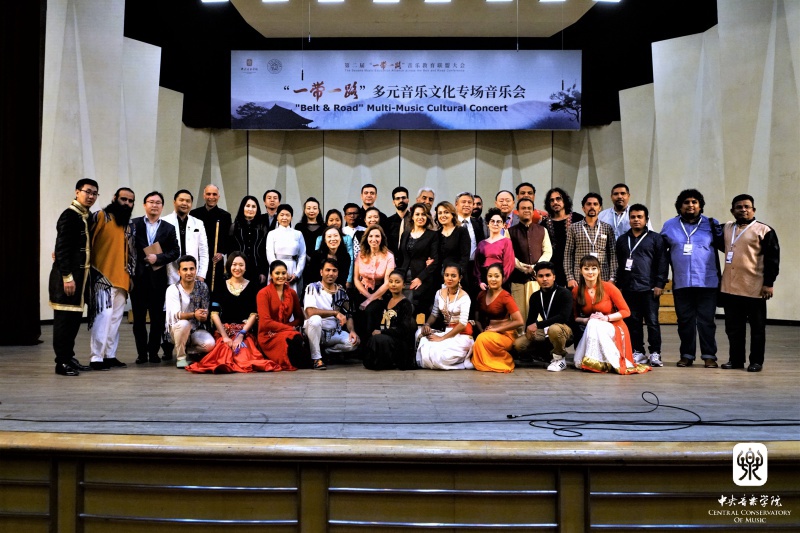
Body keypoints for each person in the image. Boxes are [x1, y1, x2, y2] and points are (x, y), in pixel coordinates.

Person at [187, 252, 281, 373]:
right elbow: (214, 314)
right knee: (222, 354)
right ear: (229, 266)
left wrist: (241, 335)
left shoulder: (253, 286)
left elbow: (254, 314)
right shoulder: (220, 285)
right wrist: (225, 337)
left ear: (246, 267)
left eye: (241, 265)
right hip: (224, 331)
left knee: (244, 355)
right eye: (234, 264)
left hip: (244, 332)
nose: (237, 268)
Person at [661, 189, 722, 368]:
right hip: (682, 282)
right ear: (679, 206)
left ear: (700, 205)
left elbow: (725, 247)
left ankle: (709, 356)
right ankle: (686, 355)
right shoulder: (669, 225)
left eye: (694, 202)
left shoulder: (711, 224)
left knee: (706, 321)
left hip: (707, 282)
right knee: (684, 321)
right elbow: (661, 254)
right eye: (686, 202)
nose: (690, 205)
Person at [718, 194, 780, 373]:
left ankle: (756, 361)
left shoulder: (764, 230)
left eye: (747, 206)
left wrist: (769, 283)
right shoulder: (726, 228)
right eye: (739, 207)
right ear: (732, 211)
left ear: (753, 210)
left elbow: (773, 259)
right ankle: (736, 360)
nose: (743, 210)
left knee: (757, 329)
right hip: (730, 288)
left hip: (755, 288)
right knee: (733, 328)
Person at [49, 179, 98, 376]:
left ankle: (68, 357)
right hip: (68, 280)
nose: (91, 196)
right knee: (63, 322)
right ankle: (61, 362)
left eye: (94, 193)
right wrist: (67, 277)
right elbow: (61, 249)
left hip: (81, 279)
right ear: (77, 192)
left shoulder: (86, 215)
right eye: (87, 192)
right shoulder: (69, 215)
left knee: (73, 321)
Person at [571, 255, 650, 375]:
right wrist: (586, 320)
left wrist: (606, 318)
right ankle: (597, 361)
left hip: (615, 326)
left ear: (599, 270)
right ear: (580, 271)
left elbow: (626, 311)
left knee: (594, 323)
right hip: (593, 326)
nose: (590, 272)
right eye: (586, 269)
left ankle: (594, 362)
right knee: (593, 322)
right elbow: (575, 317)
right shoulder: (576, 291)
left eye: (594, 268)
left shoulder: (609, 287)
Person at [87, 187, 136, 370]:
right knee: (103, 318)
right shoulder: (101, 216)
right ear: (115, 198)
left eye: (130, 201)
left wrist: (130, 276)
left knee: (115, 320)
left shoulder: (129, 225)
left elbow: (131, 253)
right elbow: (85, 241)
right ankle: (96, 358)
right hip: (102, 278)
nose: (127, 204)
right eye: (124, 199)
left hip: (123, 280)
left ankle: (109, 355)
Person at [615, 203, 668, 367]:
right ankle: (637, 351)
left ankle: (655, 353)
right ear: (629, 220)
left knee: (652, 322)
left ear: (646, 219)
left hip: (649, 288)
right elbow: (618, 264)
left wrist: (659, 283)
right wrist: (619, 285)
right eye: (633, 217)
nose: (636, 220)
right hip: (629, 288)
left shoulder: (656, 238)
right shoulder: (622, 239)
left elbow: (662, 262)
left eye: (640, 217)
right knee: (633, 321)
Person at [131, 191, 180, 363]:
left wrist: (158, 258)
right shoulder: (133, 224)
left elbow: (175, 251)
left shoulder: (168, 228)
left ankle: (153, 353)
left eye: (158, 202)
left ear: (162, 206)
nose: (154, 205)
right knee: (138, 320)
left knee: (157, 319)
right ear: (144, 205)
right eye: (151, 202)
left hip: (158, 280)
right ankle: (141, 354)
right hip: (137, 278)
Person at [513, 262, 575, 372]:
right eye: (541, 276)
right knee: (519, 344)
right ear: (536, 278)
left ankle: (559, 358)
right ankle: (544, 354)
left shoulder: (564, 293)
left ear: (554, 277)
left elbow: (563, 317)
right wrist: (529, 331)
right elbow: (531, 319)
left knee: (554, 329)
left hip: (565, 331)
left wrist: (537, 325)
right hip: (546, 331)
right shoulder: (535, 296)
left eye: (548, 275)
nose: (544, 279)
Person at [416, 262, 475, 370]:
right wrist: (427, 324)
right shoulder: (439, 293)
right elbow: (434, 314)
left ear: (460, 278)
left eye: (453, 276)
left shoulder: (464, 297)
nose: (449, 278)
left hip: (461, 335)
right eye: (447, 275)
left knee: (439, 358)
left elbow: (462, 324)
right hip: (446, 331)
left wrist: (442, 338)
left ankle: (461, 360)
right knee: (420, 333)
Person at [303, 258, 360, 370]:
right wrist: (335, 313)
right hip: (316, 331)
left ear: (337, 273)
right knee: (315, 319)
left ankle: (326, 352)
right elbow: (310, 312)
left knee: (353, 343)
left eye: (334, 270)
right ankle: (316, 359)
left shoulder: (341, 292)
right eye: (327, 270)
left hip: (333, 333)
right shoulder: (313, 288)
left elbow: (348, 315)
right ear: (321, 272)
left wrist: (352, 331)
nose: (331, 273)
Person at [470, 263, 524, 373]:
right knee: (481, 338)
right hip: (489, 333)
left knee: (482, 339)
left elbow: (519, 321)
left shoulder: (505, 296)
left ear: (503, 278)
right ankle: (486, 363)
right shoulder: (481, 295)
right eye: (490, 276)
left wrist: (496, 329)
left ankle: (505, 361)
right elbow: (477, 319)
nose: (493, 279)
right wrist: (482, 330)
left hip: (505, 334)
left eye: (496, 276)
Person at [164, 255, 215, 368]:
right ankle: (181, 359)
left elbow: (205, 311)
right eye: (185, 269)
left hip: (195, 329)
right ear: (179, 272)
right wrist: (194, 315)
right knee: (184, 324)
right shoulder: (172, 289)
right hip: (176, 330)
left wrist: (203, 316)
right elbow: (176, 315)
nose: (189, 272)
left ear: (196, 270)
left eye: (192, 269)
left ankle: (189, 351)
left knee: (210, 344)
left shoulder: (202, 287)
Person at [508, 198, 552, 325]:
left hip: (537, 280)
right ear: (517, 211)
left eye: (529, 208)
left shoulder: (542, 230)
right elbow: (509, 254)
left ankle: (538, 337)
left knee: (538, 317)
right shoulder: (510, 232)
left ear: (533, 211)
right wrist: (522, 267)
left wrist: (536, 267)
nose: (526, 210)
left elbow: (548, 251)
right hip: (517, 280)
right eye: (523, 208)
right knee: (519, 317)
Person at [257, 260, 308, 370]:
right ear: (271, 275)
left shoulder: (292, 293)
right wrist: (288, 328)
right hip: (268, 335)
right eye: (277, 273)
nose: (281, 276)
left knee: (296, 338)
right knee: (294, 340)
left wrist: (288, 327)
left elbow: (299, 318)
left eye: (284, 273)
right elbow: (265, 322)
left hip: (286, 331)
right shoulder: (263, 293)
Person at [362, 270, 417, 370]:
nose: (393, 284)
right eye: (391, 281)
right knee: (373, 337)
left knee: (378, 339)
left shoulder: (405, 304)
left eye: (397, 282)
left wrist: (382, 332)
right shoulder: (386, 300)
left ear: (404, 285)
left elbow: (403, 330)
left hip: (398, 340)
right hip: (385, 338)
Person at [564, 192, 617, 289]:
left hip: (603, 277)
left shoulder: (607, 228)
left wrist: (612, 278)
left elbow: (613, 255)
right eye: (589, 204)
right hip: (579, 278)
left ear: (600, 208)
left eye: (595, 204)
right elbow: (568, 254)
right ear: (583, 208)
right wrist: (570, 278)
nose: (592, 207)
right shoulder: (573, 228)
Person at [353, 225, 396, 339]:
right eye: (371, 236)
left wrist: (370, 300)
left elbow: (387, 283)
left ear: (382, 238)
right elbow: (356, 279)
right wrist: (368, 297)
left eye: (377, 236)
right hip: (362, 290)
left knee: (370, 310)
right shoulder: (360, 255)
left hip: (380, 292)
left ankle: (370, 342)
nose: (374, 239)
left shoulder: (389, 256)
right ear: (366, 238)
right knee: (357, 312)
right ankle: (358, 342)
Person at [398, 202, 440, 317]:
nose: (420, 217)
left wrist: (420, 278)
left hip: (421, 279)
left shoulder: (432, 235)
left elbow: (435, 260)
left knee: (410, 308)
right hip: (403, 279)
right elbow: (401, 257)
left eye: (423, 214)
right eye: (417, 214)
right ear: (412, 217)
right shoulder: (405, 234)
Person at [189, 184, 231, 293]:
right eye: (208, 194)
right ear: (204, 196)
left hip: (215, 259)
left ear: (218, 196)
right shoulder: (194, 214)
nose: (211, 197)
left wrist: (222, 253)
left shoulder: (225, 216)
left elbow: (228, 238)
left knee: (215, 290)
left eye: (214, 194)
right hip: (198, 257)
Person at [162, 189, 209, 286]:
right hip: (170, 274)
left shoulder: (198, 223)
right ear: (174, 202)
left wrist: (201, 275)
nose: (184, 203)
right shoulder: (164, 221)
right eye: (181, 200)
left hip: (192, 274)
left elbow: (204, 251)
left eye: (188, 201)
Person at [541, 187, 584, 288]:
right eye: (551, 200)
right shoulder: (544, 224)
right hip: (554, 268)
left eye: (558, 199)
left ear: (565, 200)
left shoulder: (578, 219)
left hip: (576, 266)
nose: (555, 202)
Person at [265, 204, 306, 293]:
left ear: (291, 217)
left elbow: (302, 255)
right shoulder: (272, 234)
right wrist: (280, 271)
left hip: (292, 269)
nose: (284, 218)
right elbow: (270, 255)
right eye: (282, 215)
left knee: (291, 296)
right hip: (276, 268)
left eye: (287, 215)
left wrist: (297, 274)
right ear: (277, 217)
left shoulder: (298, 234)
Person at [229, 196, 269, 285]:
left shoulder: (262, 227)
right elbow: (230, 251)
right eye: (247, 206)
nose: (250, 209)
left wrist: (263, 272)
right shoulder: (234, 227)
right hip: (238, 270)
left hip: (257, 271)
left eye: (253, 206)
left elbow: (264, 252)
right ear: (242, 207)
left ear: (257, 209)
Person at [474, 208, 515, 291]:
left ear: (503, 225)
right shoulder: (481, 244)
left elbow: (509, 265)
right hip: (484, 282)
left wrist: (499, 281)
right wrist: (480, 282)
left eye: (498, 221)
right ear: (488, 224)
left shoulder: (506, 242)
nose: (495, 224)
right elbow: (476, 266)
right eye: (492, 221)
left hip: (500, 281)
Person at [455, 192, 486, 300]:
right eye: (463, 202)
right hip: (456, 268)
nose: (467, 205)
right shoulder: (451, 223)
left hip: (474, 268)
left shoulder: (478, 223)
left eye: (469, 202)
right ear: (456, 204)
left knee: (474, 300)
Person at [435, 201, 470, 280]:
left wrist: (458, 275)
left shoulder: (461, 231)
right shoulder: (436, 234)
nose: (443, 215)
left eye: (446, 212)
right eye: (440, 213)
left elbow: (465, 257)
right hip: (439, 277)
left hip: (457, 277)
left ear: (452, 214)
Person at [294, 197, 325, 270]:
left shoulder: (324, 227)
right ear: (304, 210)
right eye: (308, 208)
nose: (311, 211)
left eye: (314, 208)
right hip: (302, 263)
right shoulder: (299, 227)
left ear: (318, 211)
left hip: (320, 263)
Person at [386, 186, 411, 256]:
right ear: (393, 202)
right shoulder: (387, 222)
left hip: (411, 259)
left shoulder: (415, 220)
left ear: (408, 200)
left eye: (403, 198)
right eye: (397, 198)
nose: (401, 200)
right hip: (393, 259)